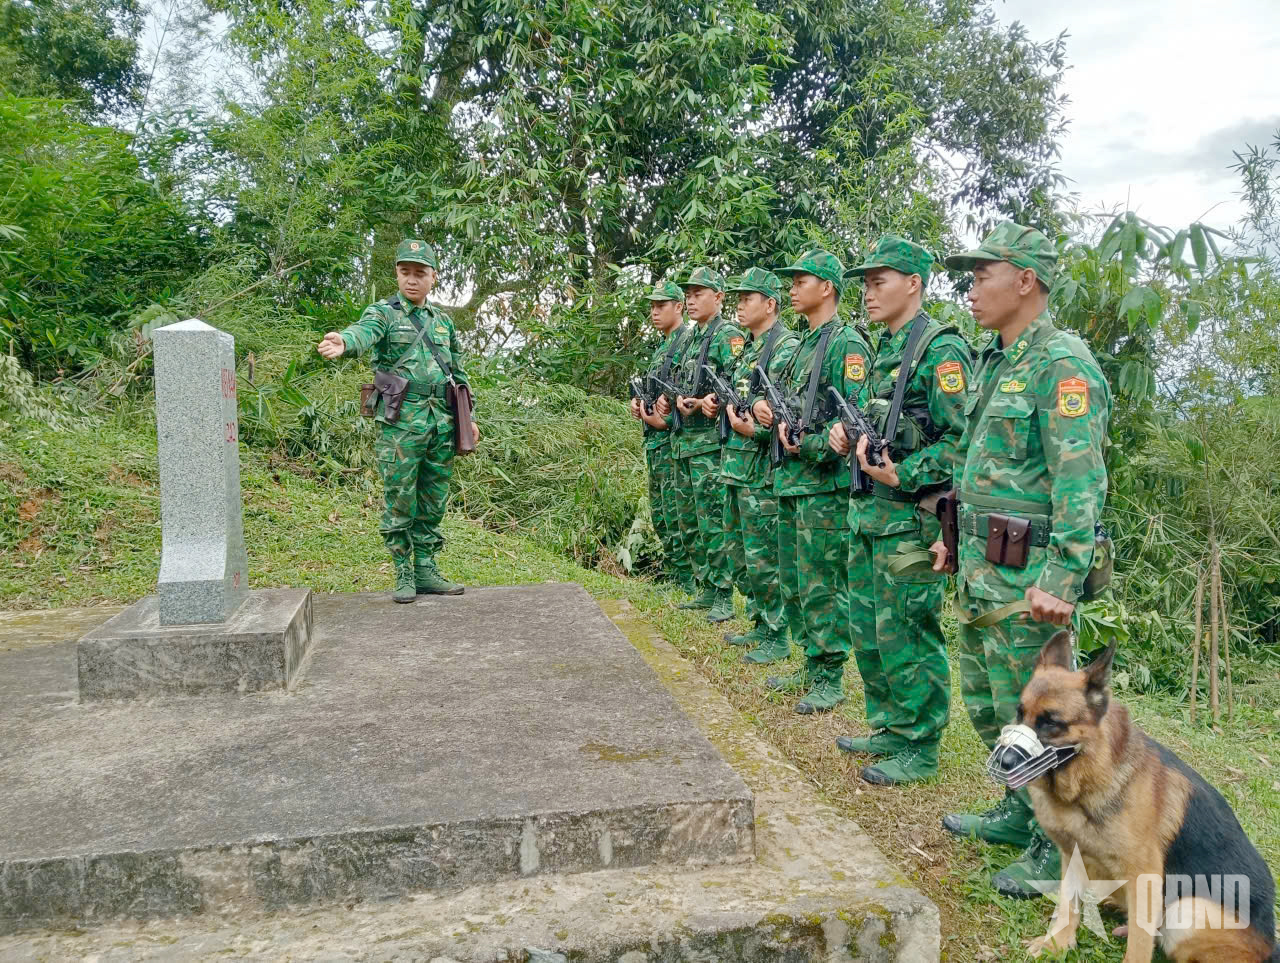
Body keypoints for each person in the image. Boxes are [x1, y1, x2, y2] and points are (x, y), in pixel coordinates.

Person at [932, 222, 1111, 898]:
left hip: (1031, 579)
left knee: (1042, 717)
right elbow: (974, 466)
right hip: (984, 569)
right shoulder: (993, 360)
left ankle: (1057, 844)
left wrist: (1063, 577)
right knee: (988, 704)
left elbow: (1079, 479)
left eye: (983, 275)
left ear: (1025, 280)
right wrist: (951, 532)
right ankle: (1018, 810)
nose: (972, 288)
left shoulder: (1061, 363)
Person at [829, 235, 973, 785]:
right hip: (868, 515)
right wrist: (846, 434)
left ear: (913, 283)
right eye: (864, 283)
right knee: (868, 627)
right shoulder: (885, 348)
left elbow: (962, 441)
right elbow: (885, 425)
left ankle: (921, 743)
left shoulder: (941, 351)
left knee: (908, 632)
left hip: (908, 519)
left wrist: (903, 473)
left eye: (878, 281)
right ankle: (890, 723)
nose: (867, 292)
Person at [316, 239, 480, 602]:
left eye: (420, 273)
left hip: (441, 422)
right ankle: (404, 569)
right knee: (400, 497)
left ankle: (426, 567)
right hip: (401, 422)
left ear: (433, 277)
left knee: (434, 498)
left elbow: (458, 373)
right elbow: (364, 331)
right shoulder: (384, 313)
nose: (411, 280)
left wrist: (469, 418)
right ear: (396, 273)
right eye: (405, 272)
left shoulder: (443, 323)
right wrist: (345, 341)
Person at [752, 249, 873, 714]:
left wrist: (817, 444)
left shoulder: (848, 343)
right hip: (789, 480)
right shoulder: (799, 346)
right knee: (795, 580)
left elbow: (855, 418)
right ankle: (809, 660)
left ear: (827, 287)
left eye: (801, 280)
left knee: (822, 582)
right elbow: (781, 401)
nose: (792, 288)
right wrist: (767, 414)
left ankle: (829, 674)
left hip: (823, 486)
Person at [716, 268, 800, 662]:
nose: (740, 304)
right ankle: (759, 623)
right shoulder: (747, 349)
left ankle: (777, 634)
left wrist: (756, 428)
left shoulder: (785, 347)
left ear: (770, 304)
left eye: (748, 297)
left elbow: (790, 414)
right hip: (736, 465)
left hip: (762, 471)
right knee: (741, 554)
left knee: (765, 558)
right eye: (738, 297)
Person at [656, 267, 745, 623]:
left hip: (710, 445)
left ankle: (723, 593)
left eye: (699, 294)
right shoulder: (691, 338)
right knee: (691, 521)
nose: (691, 300)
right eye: (688, 294)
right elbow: (679, 382)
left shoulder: (728, 335)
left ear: (718, 298)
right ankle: (705, 585)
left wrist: (713, 402)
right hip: (683, 442)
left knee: (713, 521)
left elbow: (740, 387)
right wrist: (672, 400)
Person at [631, 280, 694, 591]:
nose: (654, 312)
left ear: (678, 307)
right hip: (657, 441)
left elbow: (685, 395)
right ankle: (674, 572)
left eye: (661, 306)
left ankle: (687, 578)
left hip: (672, 441)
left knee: (676, 510)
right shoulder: (664, 345)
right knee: (661, 511)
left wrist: (662, 420)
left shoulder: (686, 341)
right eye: (652, 307)